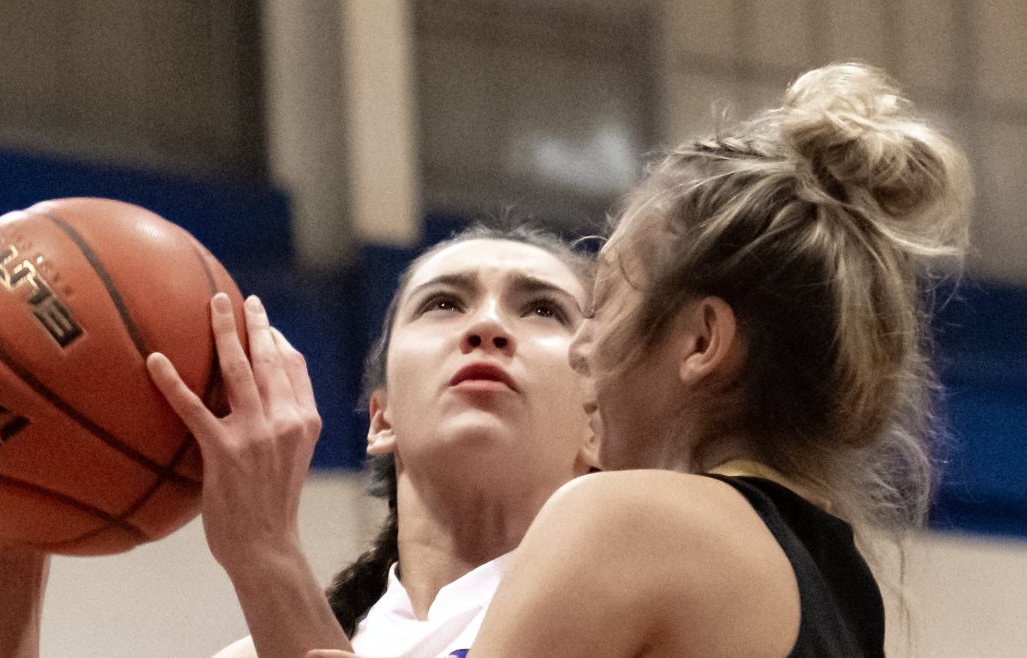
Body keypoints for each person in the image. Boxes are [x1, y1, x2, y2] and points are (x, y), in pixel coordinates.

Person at [313, 62, 973, 657]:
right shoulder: (846, 593)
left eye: (600, 305)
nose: (581, 348)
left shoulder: (625, 519)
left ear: (700, 343)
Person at [0, 224, 600, 658]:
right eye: (443, 303)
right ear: (380, 419)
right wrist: (7, 554)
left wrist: (264, 553)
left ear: (598, 424)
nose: (486, 327)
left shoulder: (635, 598)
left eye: (541, 309)